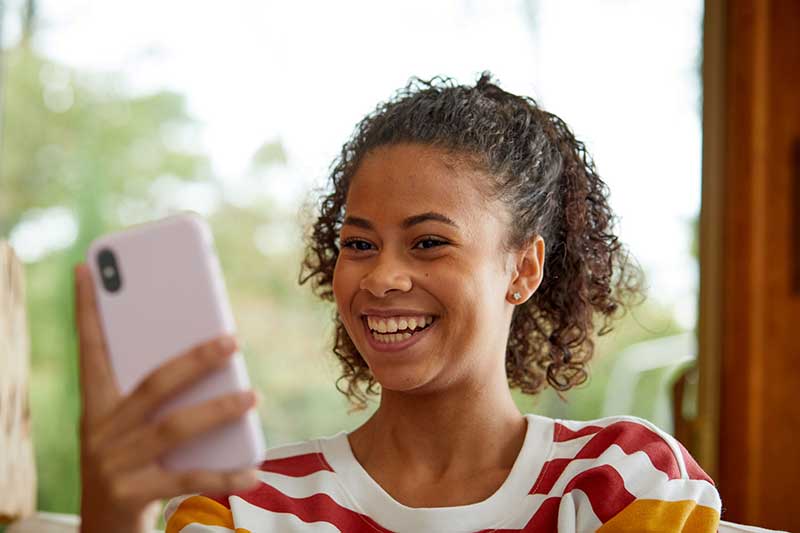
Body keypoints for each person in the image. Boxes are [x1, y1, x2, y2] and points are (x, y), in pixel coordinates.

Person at [74, 73, 722, 533]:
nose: (381, 277)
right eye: (359, 242)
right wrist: (112, 516)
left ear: (523, 268)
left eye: (429, 241)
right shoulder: (246, 505)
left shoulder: (623, 481)